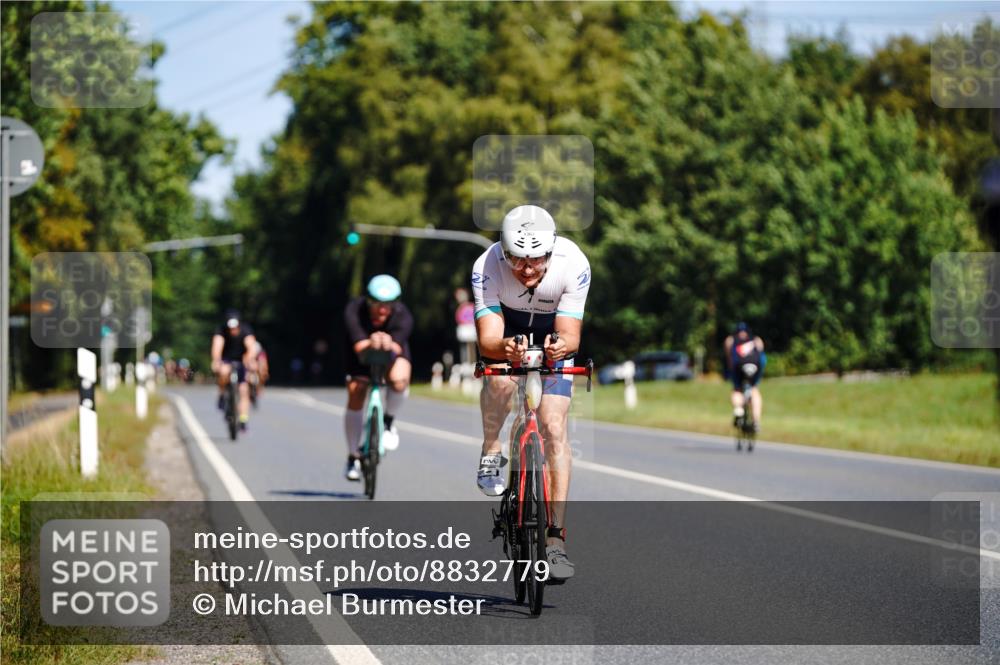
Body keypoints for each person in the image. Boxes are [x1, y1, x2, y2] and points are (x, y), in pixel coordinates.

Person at [471, 204, 591, 583]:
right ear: (503, 252)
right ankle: (492, 448)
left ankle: (555, 539)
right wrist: (505, 348)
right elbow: (488, 338)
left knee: (554, 428)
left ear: (551, 252)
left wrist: (560, 349)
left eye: (536, 260)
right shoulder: (486, 265)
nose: (526, 269)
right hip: (507, 331)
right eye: (516, 260)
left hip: (552, 333)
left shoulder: (574, 263)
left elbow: (571, 335)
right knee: (501, 381)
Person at [342, 275, 413, 481]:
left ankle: (388, 421)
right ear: (367, 300)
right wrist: (371, 341)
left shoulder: (402, 316)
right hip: (360, 353)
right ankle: (352, 456)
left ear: (395, 304)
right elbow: (358, 346)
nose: (381, 310)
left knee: (399, 380)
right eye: (375, 304)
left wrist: (388, 343)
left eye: (387, 305)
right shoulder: (354, 310)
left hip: (391, 351)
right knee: (356, 391)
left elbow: (396, 348)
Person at [210, 310, 258, 431]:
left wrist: (249, 358)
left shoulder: (246, 330)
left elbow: (251, 347)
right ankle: (222, 395)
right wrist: (217, 360)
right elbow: (217, 346)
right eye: (230, 327)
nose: (233, 330)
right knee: (223, 372)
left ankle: (243, 418)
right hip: (227, 359)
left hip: (242, 360)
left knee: (243, 389)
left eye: (235, 327)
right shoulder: (221, 330)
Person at [724, 322, 766, 431]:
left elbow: (729, 359)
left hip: (738, 367)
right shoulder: (756, 340)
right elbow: (762, 358)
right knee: (754, 390)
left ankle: (738, 409)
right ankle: (756, 421)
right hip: (755, 367)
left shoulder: (731, 340)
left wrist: (730, 372)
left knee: (737, 389)